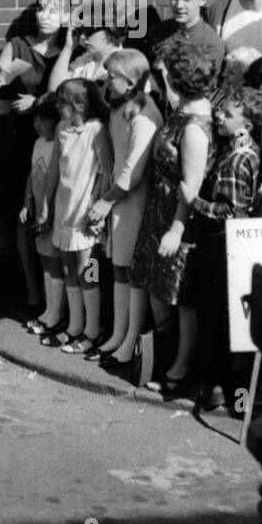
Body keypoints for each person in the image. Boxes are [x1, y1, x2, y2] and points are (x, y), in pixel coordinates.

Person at [104, 39, 214, 388]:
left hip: (174, 223)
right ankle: (162, 356)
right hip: (157, 212)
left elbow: (190, 187)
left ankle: (181, 368)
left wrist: (177, 230)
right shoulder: (180, 113)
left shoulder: (195, 126)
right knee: (156, 291)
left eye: (162, 74)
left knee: (179, 297)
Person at [0, 0, 67, 311]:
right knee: (25, 211)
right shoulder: (18, 45)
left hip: (58, 138)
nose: (45, 16)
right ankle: (33, 291)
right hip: (23, 140)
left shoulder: (68, 51)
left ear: (66, 17)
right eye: (42, 9)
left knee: (57, 211)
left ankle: (58, 297)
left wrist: (40, 101)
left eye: (54, 11)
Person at [189, 85, 262, 410]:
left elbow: (229, 210)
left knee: (215, 316)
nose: (219, 115)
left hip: (221, 243)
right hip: (231, 245)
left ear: (245, 127)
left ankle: (216, 387)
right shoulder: (248, 150)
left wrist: (193, 201)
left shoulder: (236, 161)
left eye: (228, 114)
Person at [85, 49, 162, 363]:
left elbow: (133, 172)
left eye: (111, 76)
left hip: (134, 203)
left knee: (131, 269)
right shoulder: (120, 109)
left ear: (130, 82)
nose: (106, 81)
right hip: (118, 201)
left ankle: (130, 341)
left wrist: (104, 203)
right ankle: (118, 334)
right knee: (118, 267)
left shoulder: (145, 116)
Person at [36, 78, 113, 355]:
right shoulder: (61, 129)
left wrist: (98, 205)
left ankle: (93, 329)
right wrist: (46, 205)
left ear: (79, 105)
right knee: (69, 267)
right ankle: (75, 325)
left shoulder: (96, 131)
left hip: (84, 213)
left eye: (62, 102)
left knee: (86, 269)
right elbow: (55, 169)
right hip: (63, 208)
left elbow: (106, 171)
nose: (57, 107)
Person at [20, 98, 64, 337]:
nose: (37, 124)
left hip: (52, 213)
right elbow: (32, 173)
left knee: (55, 261)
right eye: (35, 118)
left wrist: (48, 211)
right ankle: (49, 309)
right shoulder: (38, 143)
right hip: (38, 212)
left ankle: (56, 312)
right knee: (45, 260)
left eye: (43, 119)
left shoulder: (58, 145)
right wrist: (27, 200)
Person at [144, 0, 226, 79]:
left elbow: (201, 89)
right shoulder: (158, 32)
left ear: (202, 0)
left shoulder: (211, 45)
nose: (179, 5)